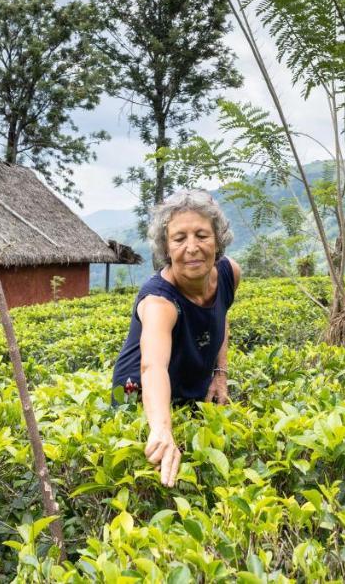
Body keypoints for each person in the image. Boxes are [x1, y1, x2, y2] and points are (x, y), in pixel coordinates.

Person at [111, 189, 242, 486]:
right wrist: (160, 429)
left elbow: (222, 316)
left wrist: (220, 373)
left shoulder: (229, 273)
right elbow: (153, 367)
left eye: (202, 235)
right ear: (166, 248)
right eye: (179, 239)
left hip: (186, 368)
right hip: (138, 389)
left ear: (218, 240)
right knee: (150, 471)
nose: (192, 247)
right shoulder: (159, 301)